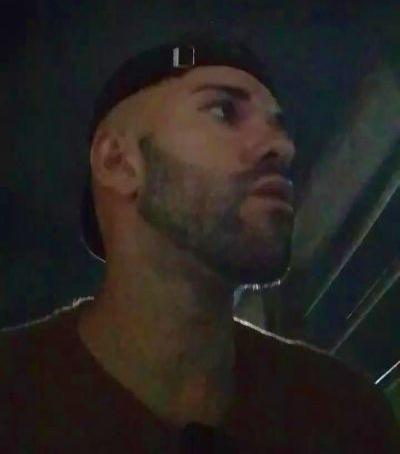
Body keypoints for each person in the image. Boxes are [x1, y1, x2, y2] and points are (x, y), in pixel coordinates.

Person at [0, 32, 399, 453]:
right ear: (118, 162)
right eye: (224, 111)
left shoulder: (346, 418)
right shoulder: (14, 398)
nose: (282, 147)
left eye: (278, 126)